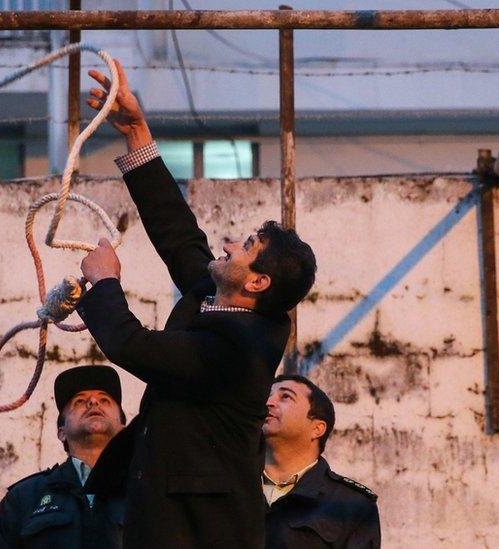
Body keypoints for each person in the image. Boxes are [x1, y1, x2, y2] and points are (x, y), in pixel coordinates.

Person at [76, 59, 318, 549]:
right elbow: (180, 236)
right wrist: (137, 132)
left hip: (201, 534)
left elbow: (133, 345)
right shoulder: (217, 298)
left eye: (244, 247)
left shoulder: (239, 349)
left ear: (257, 282)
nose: (228, 247)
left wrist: (104, 283)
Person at [0, 365, 127, 549]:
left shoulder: (147, 490)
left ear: (123, 429)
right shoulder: (23, 497)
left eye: (105, 400)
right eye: (79, 401)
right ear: (62, 432)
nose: (93, 401)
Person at [263, 375, 380, 548]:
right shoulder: (231, 485)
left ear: (317, 428)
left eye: (285, 396)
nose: (268, 403)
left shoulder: (352, 505)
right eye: (267, 396)